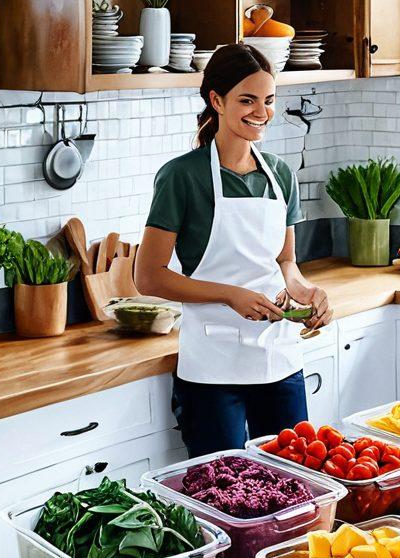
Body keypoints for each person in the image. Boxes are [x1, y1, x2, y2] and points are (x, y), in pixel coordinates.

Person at [135, 43, 332, 455]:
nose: (261, 112)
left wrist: (305, 291)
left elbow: (285, 260)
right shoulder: (181, 177)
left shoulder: (279, 173)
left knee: (294, 486)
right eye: (247, 100)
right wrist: (229, 294)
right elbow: (148, 276)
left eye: (269, 100)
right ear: (217, 101)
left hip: (279, 361)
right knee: (224, 491)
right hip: (212, 368)